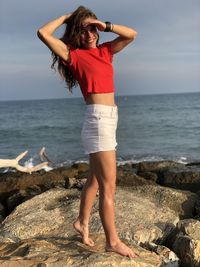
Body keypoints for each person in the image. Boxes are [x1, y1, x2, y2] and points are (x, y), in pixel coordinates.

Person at [37, 6, 138, 258]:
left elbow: (132, 34)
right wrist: (67, 19)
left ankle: (82, 223)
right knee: (109, 187)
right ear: (76, 35)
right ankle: (112, 241)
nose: (90, 34)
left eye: (92, 29)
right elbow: (42, 32)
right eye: (83, 31)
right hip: (98, 122)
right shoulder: (73, 55)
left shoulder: (106, 51)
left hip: (109, 120)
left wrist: (105, 24)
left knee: (94, 180)